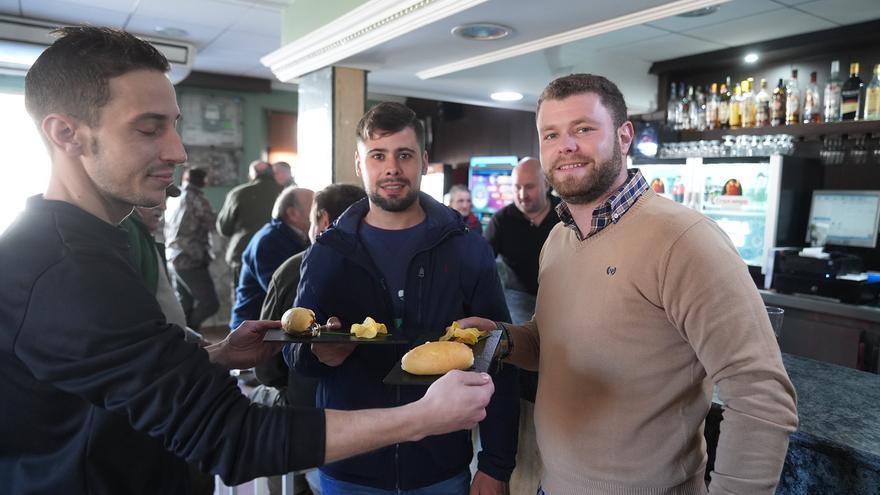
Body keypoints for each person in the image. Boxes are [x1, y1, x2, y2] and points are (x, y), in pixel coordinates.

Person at [0, 26, 496, 495]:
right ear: (66, 133)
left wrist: (213, 355)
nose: (177, 151)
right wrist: (422, 418)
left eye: (173, 126)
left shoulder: (87, 246)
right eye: (150, 129)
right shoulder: (64, 269)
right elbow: (232, 438)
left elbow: (107, 379)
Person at [459, 74, 799, 494]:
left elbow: (761, 394)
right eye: (551, 134)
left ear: (624, 137)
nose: (565, 146)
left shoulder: (685, 240)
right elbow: (554, 346)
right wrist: (504, 339)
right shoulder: (559, 240)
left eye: (583, 128)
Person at [286, 102, 519, 494]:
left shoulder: (465, 248)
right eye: (378, 155)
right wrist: (316, 354)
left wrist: (496, 464)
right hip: (348, 465)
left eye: (404, 155)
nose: (392, 168)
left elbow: (498, 355)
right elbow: (294, 353)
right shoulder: (329, 252)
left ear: (424, 162)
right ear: (360, 164)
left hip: (441, 466)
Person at [256, 183, 367, 495]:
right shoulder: (386, 272)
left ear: (323, 220)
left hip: (307, 415)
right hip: (372, 415)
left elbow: (267, 367)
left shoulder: (294, 269)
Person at [230, 186, 313, 329]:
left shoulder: (298, 236)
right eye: (314, 207)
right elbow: (283, 293)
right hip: (252, 329)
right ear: (292, 213)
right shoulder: (268, 241)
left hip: (275, 323)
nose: (319, 213)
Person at [484, 157, 560, 295]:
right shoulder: (501, 220)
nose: (522, 194)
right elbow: (480, 263)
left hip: (563, 294)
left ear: (546, 184)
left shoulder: (566, 212)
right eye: (517, 187)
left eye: (529, 187)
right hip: (518, 298)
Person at [216, 159, 283, 300]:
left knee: (243, 299)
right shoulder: (285, 194)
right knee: (276, 299)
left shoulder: (238, 194)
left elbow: (224, 228)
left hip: (243, 252)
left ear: (252, 175)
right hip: (279, 252)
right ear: (272, 174)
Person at [165, 166, 220, 329]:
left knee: (184, 305)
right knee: (210, 303)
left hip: (173, 256)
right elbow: (213, 224)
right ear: (204, 181)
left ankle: (183, 339)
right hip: (191, 258)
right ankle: (188, 334)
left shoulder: (174, 197)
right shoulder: (197, 199)